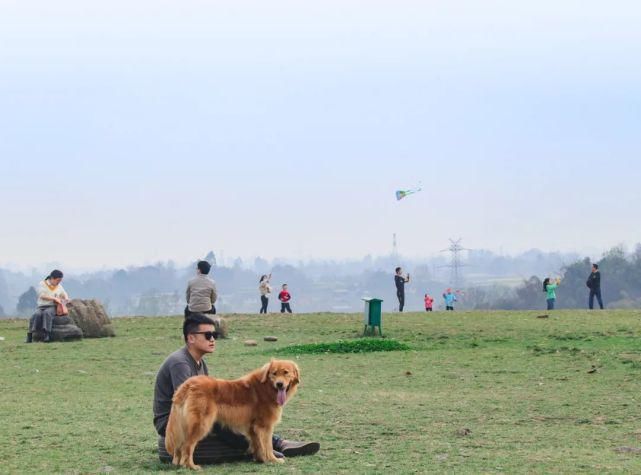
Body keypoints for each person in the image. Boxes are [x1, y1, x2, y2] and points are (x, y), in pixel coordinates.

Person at [153, 313, 320, 465]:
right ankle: (268, 448)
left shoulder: (199, 361)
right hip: (169, 419)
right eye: (208, 335)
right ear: (191, 338)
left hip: (188, 413)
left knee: (226, 419)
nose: (213, 339)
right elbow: (184, 403)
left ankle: (268, 447)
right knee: (225, 422)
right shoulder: (180, 363)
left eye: (215, 335)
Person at [26, 269, 69, 343]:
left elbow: (65, 295)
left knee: (47, 313)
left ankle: (46, 334)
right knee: (36, 315)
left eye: (60, 281)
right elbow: (41, 295)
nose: (59, 282)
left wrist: (65, 299)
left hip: (52, 306)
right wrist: (54, 298)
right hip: (42, 306)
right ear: (52, 278)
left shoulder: (59, 286)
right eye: (58, 280)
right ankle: (30, 334)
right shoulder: (42, 284)